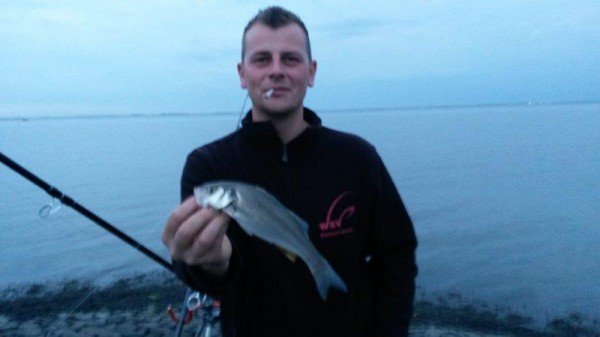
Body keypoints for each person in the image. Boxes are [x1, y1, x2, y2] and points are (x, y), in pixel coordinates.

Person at [162, 6, 417, 337]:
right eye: (262, 59)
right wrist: (211, 263)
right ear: (242, 74)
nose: (277, 71)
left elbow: (396, 255)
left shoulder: (358, 157)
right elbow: (200, 276)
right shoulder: (208, 165)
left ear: (311, 72)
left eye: (291, 59)